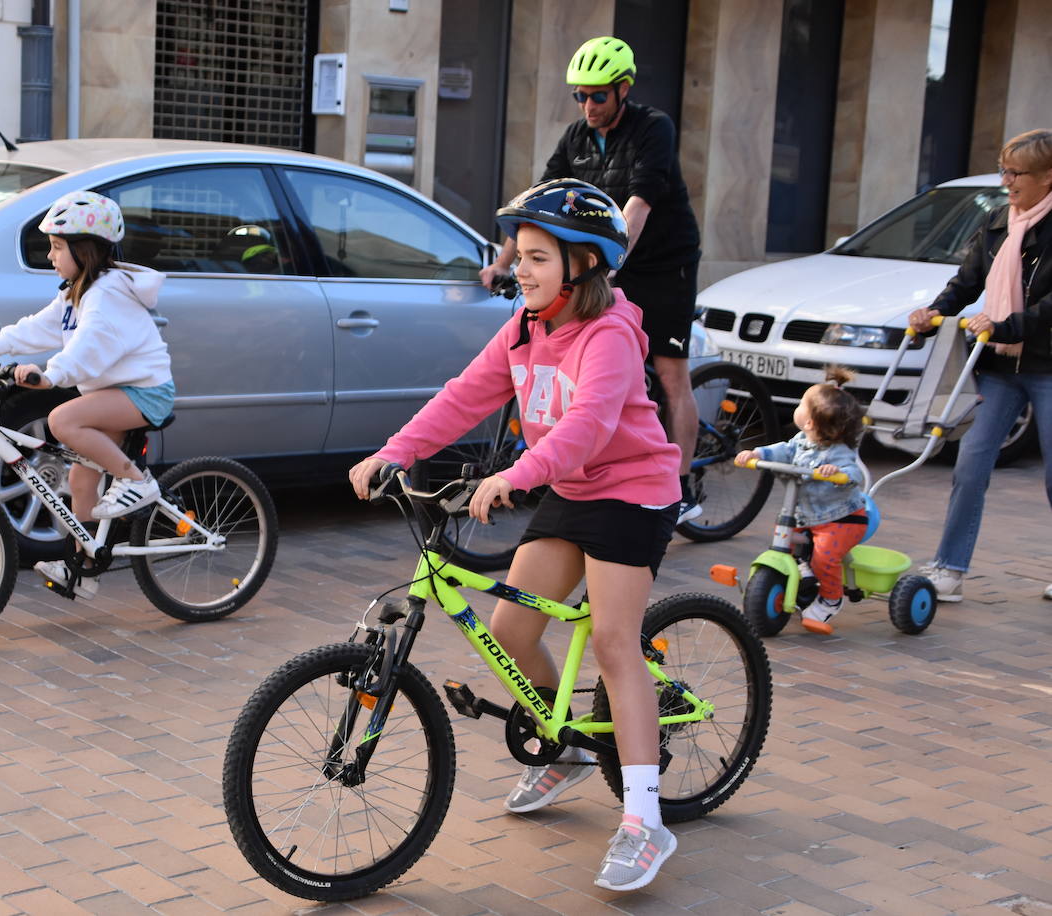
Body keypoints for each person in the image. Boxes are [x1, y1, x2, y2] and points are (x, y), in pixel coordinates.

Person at [351, 179, 682, 892]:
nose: (520, 269)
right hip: (571, 489)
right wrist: (394, 452)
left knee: (613, 643)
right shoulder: (527, 327)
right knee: (510, 628)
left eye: (537, 257)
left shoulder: (611, 332)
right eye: (520, 255)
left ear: (584, 264)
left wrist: (519, 476)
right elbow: (466, 394)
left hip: (631, 491)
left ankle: (645, 820)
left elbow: (590, 424)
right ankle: (566, 753)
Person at [480, 36, 703, 525]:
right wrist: (502, 262)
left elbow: (639, 203)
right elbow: (536, 206)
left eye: (598, 95)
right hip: (603, 261)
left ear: (623, 90)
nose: (588, 105)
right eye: (579, 95)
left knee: (669, 374)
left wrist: (609, 260)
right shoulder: (577, 137)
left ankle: (682, 485)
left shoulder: (653, 129)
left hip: (663, 262)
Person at [0, 190, 175, 598]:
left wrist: (49, 375)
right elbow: (37, 326)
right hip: (112, 393)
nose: (51, 256)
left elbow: (89, 347)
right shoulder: (76, 291)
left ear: (84, 250)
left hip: (144, 393)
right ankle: (85, 569)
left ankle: (134, 480)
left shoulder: (107, 294)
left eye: (57, 247)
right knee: (80, 476)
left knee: (62, 419)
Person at [906, 128, 1052, 602]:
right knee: (970, 463)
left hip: (1048, 365)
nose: (1007, 181)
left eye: (1017, 173)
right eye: (1003, 170)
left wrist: (1007, 325)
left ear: (1048, 177)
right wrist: (934, 314)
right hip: (998, 366)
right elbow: (966, 283)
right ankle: (949, 568)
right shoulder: (996, 222)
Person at [734, 368, 868, 634]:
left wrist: (837, 473)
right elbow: (782, 449)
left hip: (841, 520)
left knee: (825, 558)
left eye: (801, 405)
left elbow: (854, 474)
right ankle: (801, 572)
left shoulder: (839, 452)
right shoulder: (801, 440)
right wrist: (756, 453)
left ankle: (830, 598)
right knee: (784, 538)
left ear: (809, 422)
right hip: (806, 516)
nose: (798, 408)